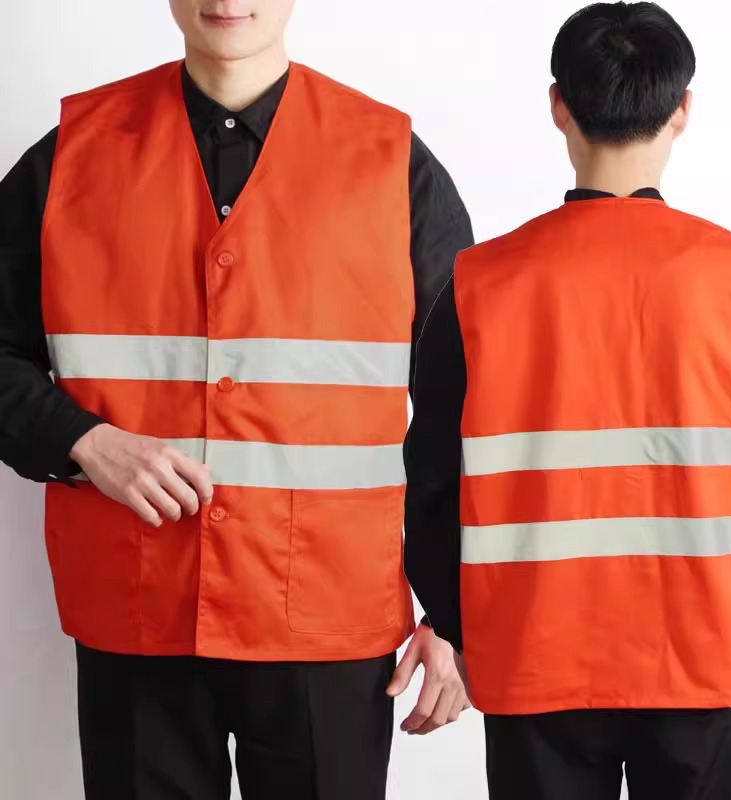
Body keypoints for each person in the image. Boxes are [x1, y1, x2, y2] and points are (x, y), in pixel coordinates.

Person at [0, 1, 473, 798]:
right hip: (137, 612)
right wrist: (81, 440)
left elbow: (470, 407)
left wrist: (455, 615)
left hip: (329, 621)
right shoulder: (71, 157)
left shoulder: (393, 164)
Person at [403, 3, 731, 799]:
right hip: (699, 657)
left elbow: (433, 485)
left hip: (533, 655)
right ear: (682, 110)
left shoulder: (477, 287)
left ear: (559, 105)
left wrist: (455, 622)